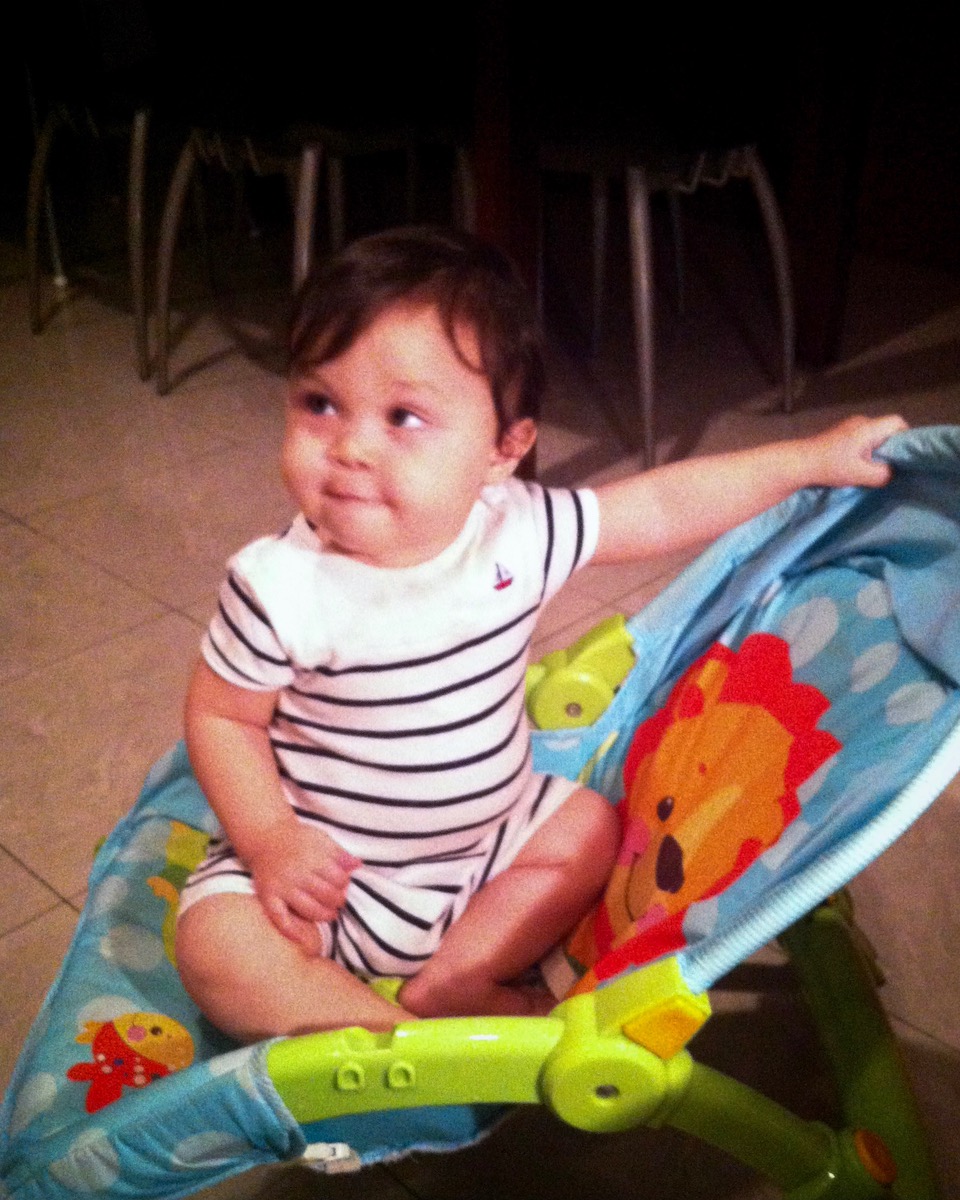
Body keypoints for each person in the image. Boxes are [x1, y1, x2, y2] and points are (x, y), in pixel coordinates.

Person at [174, 225, 906, 1043]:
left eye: (403, 416)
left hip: (490, 848)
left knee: (589, 827)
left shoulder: (518, 530)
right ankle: (397, 1048)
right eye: (319, 403)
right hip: (330, 878)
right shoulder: (278, 586)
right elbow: (222, 717)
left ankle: (460, 978)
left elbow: (663, 503)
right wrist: (270, 840)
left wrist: (806, 462)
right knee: (215, 947)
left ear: (503, 450)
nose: (348, 446)